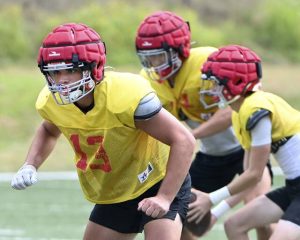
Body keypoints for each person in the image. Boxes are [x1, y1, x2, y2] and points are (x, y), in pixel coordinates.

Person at [10, 23, 196, 240]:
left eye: (71, 70)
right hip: (116, 190)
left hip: (157, 180)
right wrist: (30, 163)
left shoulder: (125, 95)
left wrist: (165, 197)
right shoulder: (51, 102)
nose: (62, 80)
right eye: (55, 72)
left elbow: (184, 140)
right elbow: (49, 130)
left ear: (93, 67)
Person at [135, 11, 273, 239]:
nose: (154, 64)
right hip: (211, 157)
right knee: (179, 219)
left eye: (160, 56)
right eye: (149, 57)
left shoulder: (207, 63)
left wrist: (190, 136)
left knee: (258, 217)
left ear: (180, 49)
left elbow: (237, 107)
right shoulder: (148, 80)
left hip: (245, 149)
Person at [195, 44, 300, 240]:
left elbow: (254, 174)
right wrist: (215, 213)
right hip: (295, 187)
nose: (212, 89)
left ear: (236, 81)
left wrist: (210, 199)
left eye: (216, 83)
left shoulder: (255, 108)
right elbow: (250, 180)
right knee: (233, 225)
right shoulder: (239, 113)